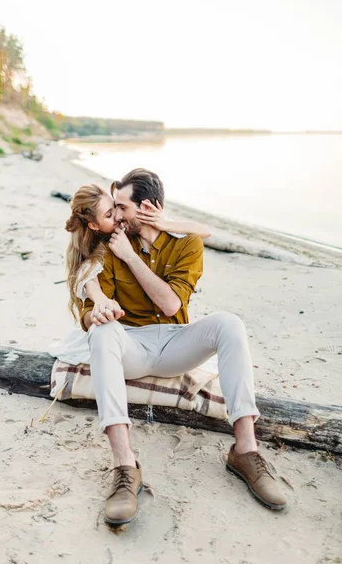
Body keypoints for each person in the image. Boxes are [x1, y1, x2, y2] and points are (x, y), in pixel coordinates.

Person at [76, 168, 286, 528]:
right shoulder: (110, 242)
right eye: (113, 210)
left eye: (121, 208)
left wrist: (131, 258)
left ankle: (245, 452)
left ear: (148, 208)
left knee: (229, 323)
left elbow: (172, 304)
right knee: (102, 333)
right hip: (130, 346)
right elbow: (88, 299)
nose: (118, 217)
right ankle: (125, 467)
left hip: (176, 342)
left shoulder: (186, 243)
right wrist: (97, 310)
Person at [49, 183, 211, 365]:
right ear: (94, 225)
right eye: (109, 215)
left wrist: (164, 223)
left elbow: (205, 231)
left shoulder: (132, 230)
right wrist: (100, 299)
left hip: (170, 336)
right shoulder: (104, 245)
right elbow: (88, 276)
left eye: (118, 208)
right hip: (131, 339)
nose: (118, 216)